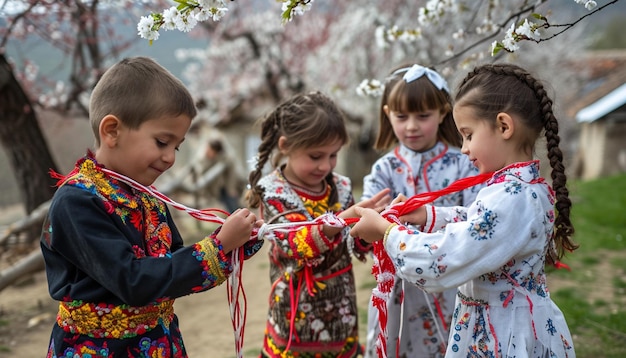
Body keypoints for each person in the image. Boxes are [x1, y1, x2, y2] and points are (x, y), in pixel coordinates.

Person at [40, 56, 264, 358]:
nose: (171, 157)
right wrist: (218, 244)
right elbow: (135, 281)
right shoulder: (77, 202)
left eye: (177, 146)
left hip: (161, 342)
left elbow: (173, 269)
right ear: (112, 131)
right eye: (162, 142)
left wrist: (235, 245)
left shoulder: (146, 197)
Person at [350, 63, 578, 357]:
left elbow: (445, 257)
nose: (465, 148)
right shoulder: (517, 190)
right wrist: (430, 216)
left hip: (504, 334)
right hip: (502, 322)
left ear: (504, 126)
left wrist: (387, 232)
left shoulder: (513, 197)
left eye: (468, 135)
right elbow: (477, 223)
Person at [246, 91, 390, 358]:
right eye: (316, 156)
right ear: (286, 146)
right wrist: (341, 219)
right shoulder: (274, 192)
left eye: (333, 155)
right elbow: (295, 245)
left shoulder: (342, 186)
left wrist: (377, 224)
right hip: (293, 317)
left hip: (340, 314)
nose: (326, 165)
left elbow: (356, 245)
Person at [361, 64, 483, 358]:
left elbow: (477, 219)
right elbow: (366, 224)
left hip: (452, 284)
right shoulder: (384, 170)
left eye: (423, 116)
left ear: (443, 113)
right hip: (397, 291)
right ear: (388, 113)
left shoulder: (465, 163)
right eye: (401, 116)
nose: (411, 126)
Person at [187, 136, 246, 213]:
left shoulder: (226, 158)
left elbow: (232, 175)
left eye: (209, 149)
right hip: (218, 188)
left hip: (229, 187)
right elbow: (202, 171)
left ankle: (241, 219)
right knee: (229, 206)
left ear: (215, 151)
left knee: (233, 206)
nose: (207, 151)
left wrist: (231, 189)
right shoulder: (205, 158)